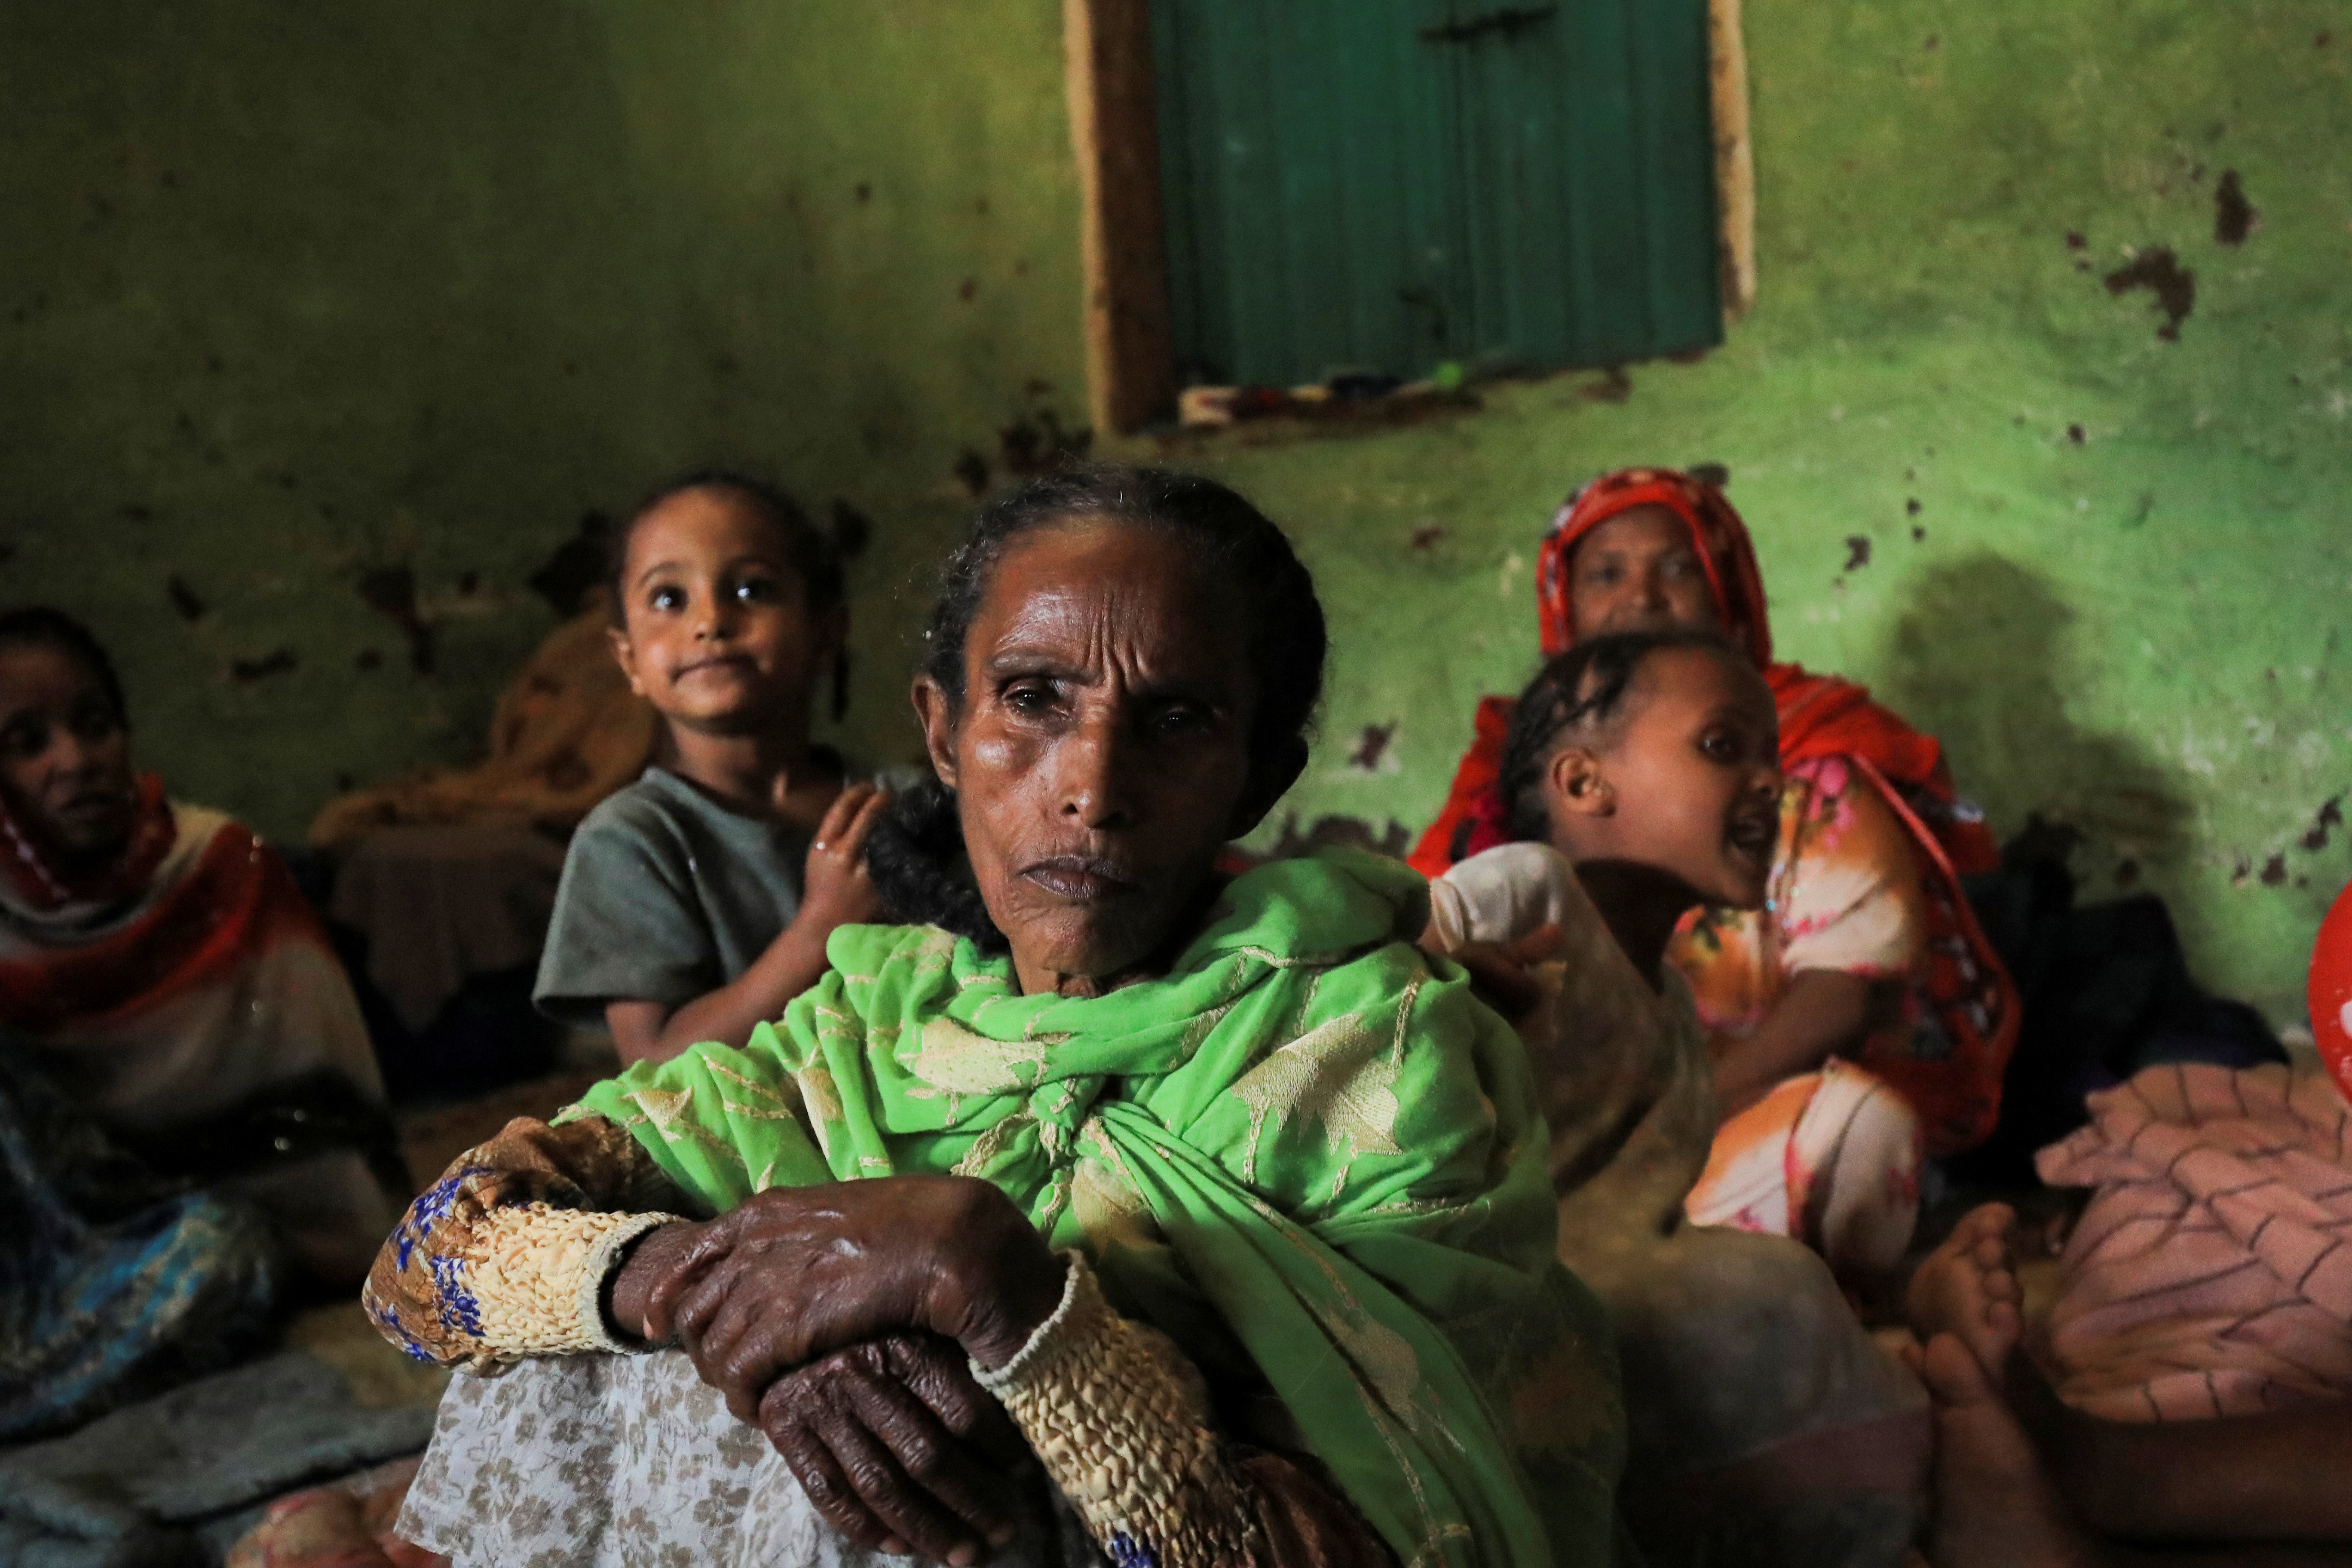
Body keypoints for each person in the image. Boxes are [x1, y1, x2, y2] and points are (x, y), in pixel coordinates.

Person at [362, 463, 1626, 1568]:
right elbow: (429, 1263)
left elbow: (1379, 1544)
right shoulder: (870, 1018)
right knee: (593, 1358)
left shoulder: (1376, 1057)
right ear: (942, 730)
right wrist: (713, 1301)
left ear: (1259, 779)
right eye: (1030, 699)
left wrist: (1004, 1291)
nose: (1089, 785)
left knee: (937, 1450)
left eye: (1175, 722)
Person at [1411, 466, 2019, 1257]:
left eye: (1677, 567)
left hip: (1727, 1117)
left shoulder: (1806, 762)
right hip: (1552, 1157)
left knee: (1849, 1139)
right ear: (1579, 783)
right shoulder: (1506, 815)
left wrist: (1670, 1129)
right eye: (1605, 574)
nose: (1642, 597)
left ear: (1728, 593)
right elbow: (1416, 969)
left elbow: (1847, 995)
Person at [1425, 629, 1929, 1566]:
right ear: (1584, 786)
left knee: (1771, 1292)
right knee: (1758, 1302)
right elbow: (1372, 975)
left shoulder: (1670, 1011)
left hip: (1608, 1295)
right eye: (1721, 746)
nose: (1772, 783)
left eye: (1772, 757)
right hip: (1480, 1305)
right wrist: (1425, 973)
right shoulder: (1526, 900)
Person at [0, 607, 395, 1432]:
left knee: (225, 1257)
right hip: (50, 1250)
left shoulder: (221, 870)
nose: (74, 761)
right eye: (26, 742)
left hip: (207, 1220)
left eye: (94, 725)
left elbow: (328, 1112)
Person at [533, 471, 902, 1067]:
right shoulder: (630, 841)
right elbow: (657, 1065)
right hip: (737, 1151)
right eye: (668, 599)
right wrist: (821, 929)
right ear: (629, 660)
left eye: (753, 590)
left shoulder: (897, 806)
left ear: (826, 631)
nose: (710, 620)